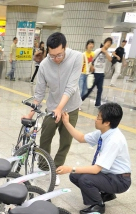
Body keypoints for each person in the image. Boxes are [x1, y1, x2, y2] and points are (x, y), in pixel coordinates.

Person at [24, 32, 82, 186]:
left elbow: (71, 87)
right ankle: (44, 166)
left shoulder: (77, 57)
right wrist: (31, 112)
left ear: (66, 47)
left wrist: (60, 108)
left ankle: (55, 169)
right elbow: (40, 92)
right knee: (45, 136)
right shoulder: (44, 64)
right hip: (52, 107)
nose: (56, 59)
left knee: (65, 141)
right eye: (52, 55)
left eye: (59, 55)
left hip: (71, 107)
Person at [56, 103, 131, 214]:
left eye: (98, 117)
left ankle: (98, 205)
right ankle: (106, 193)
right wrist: (66, 122)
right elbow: (81, 138)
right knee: (74, 175)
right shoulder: (104, 132)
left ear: (107, 123)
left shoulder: (114, 140)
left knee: (85, 179)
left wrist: (69, 168)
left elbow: (95, 169)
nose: (95, 119)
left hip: (120, 179)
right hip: (109, 174)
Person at [82, 37, 113, 107]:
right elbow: (91, 58)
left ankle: (97, 103)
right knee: (89, 89)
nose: (108, 44)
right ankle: (81, 99)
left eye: (110, 43)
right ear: (104, 43)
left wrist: (105, 52)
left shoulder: (107, 52)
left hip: (101, 73)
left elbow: (110, 59)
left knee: (100, 89)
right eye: (107, 42)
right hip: (95, 73)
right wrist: (91, 66)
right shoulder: (98, 50)